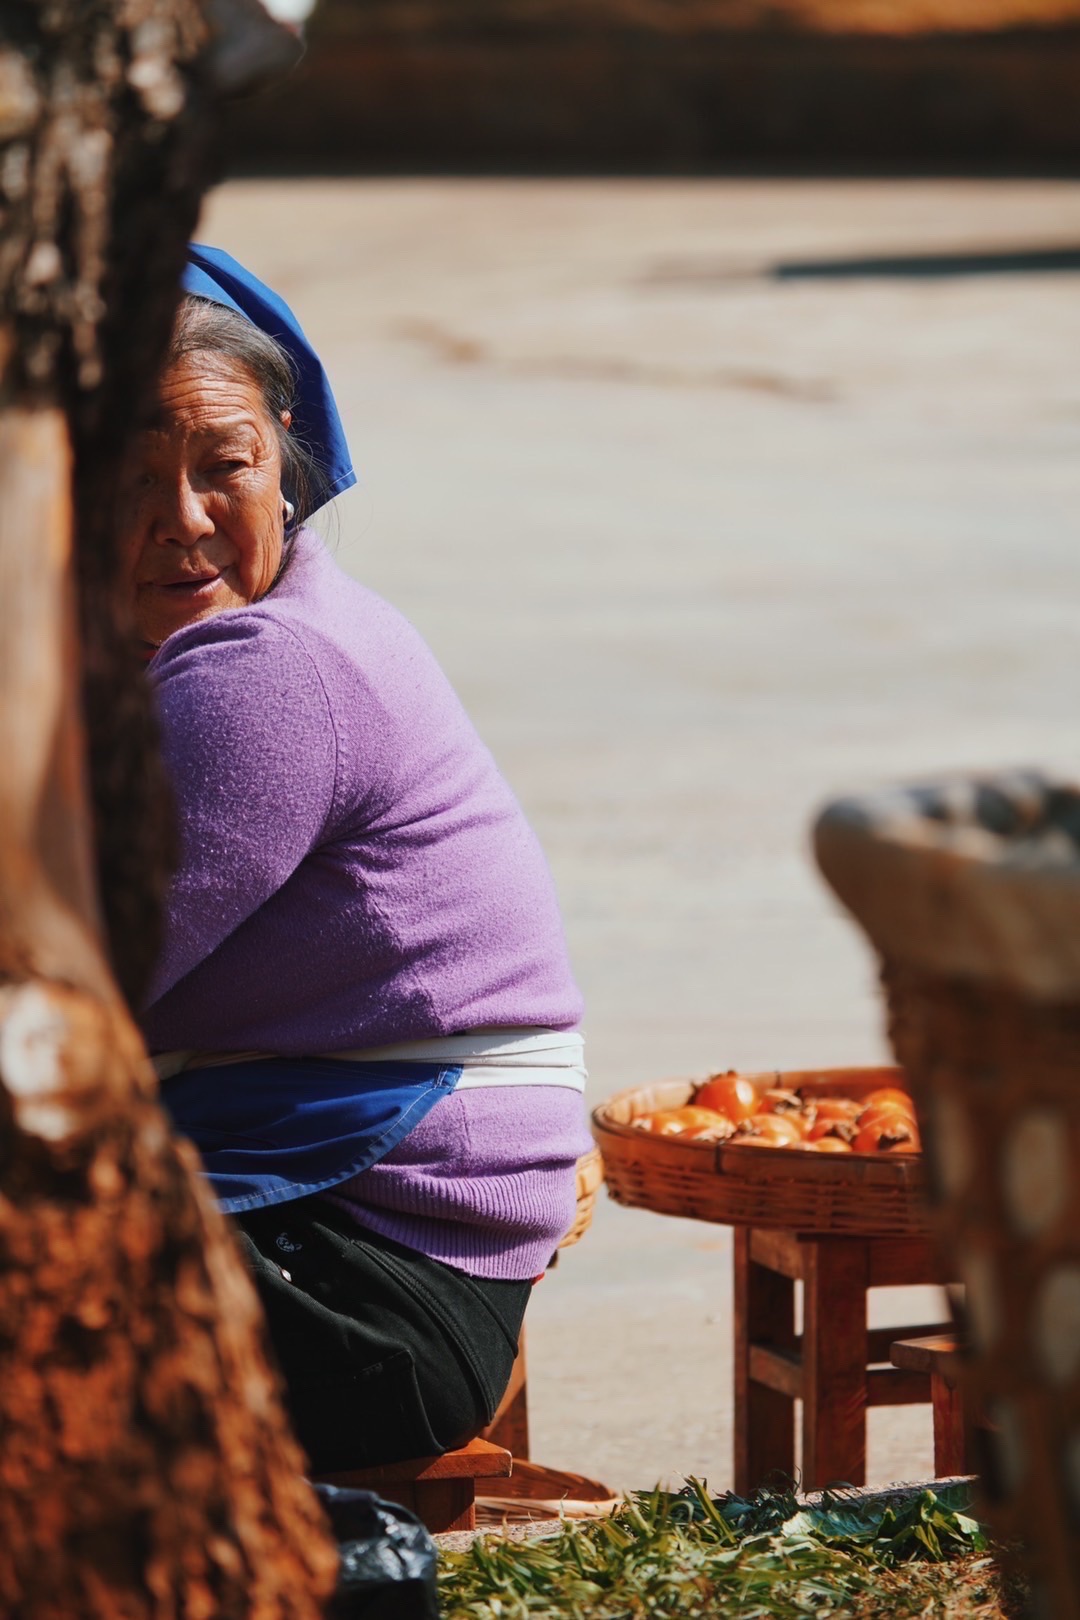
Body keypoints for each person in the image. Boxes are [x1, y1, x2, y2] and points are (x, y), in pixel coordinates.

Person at [120, 245, 592, 1474]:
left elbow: (68, 984)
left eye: (224, 467)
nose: (182, 522)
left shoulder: (261, 674)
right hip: (332, 1226)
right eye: (123, 476)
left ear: (281, 450)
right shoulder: (161, 651)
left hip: (370, 1287)